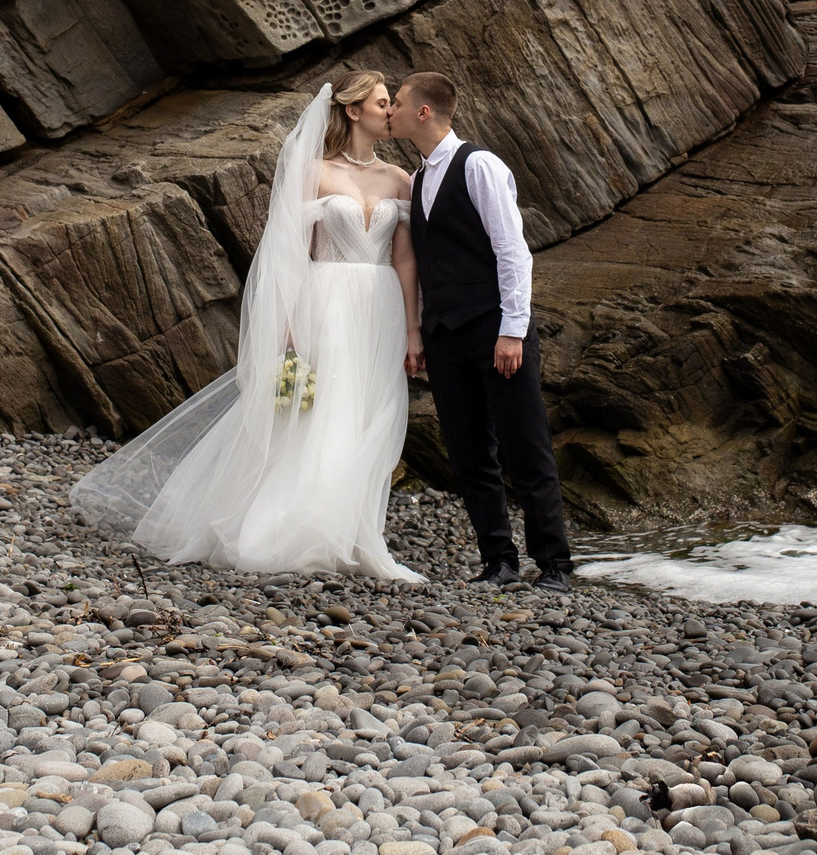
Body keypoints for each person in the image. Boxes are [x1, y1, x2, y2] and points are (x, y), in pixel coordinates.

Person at [70, 72, 425, 579]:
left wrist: (413, 330)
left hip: (382, 304)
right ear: (352, 110)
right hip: (324, 303)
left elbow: (405, 259)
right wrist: (286, 330)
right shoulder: (314, 172)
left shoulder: (398, 179)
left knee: (368, 411)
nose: (390, 111)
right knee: (320, 412)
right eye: (382, 102)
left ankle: (351, 532)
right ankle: (294, 529)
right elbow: (291, 258)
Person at [390, 70, 573, 592]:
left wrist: (513, 330)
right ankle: (498, 560)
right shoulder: (420, 176)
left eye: (398, 102)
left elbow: (512, 250)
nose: (392, 110)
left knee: (525, 446)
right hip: (445, 334)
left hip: (496, 329)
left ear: (423, 111)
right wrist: (421, 331)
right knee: (469, 452)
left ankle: (554, 565)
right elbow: (427, 262)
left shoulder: (480, 165)